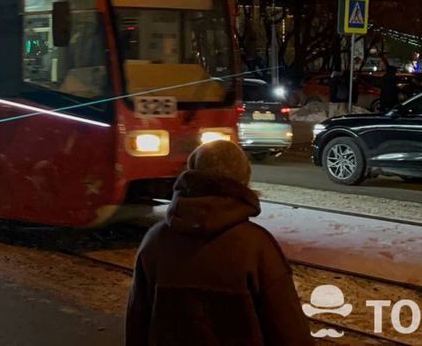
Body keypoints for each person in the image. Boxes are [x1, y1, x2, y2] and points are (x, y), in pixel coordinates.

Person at [126, 140, 313, 345]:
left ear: (191, 176)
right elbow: (289, 331)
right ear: (244, 181)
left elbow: (137, 325)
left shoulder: (155, 241)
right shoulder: (257, 247)